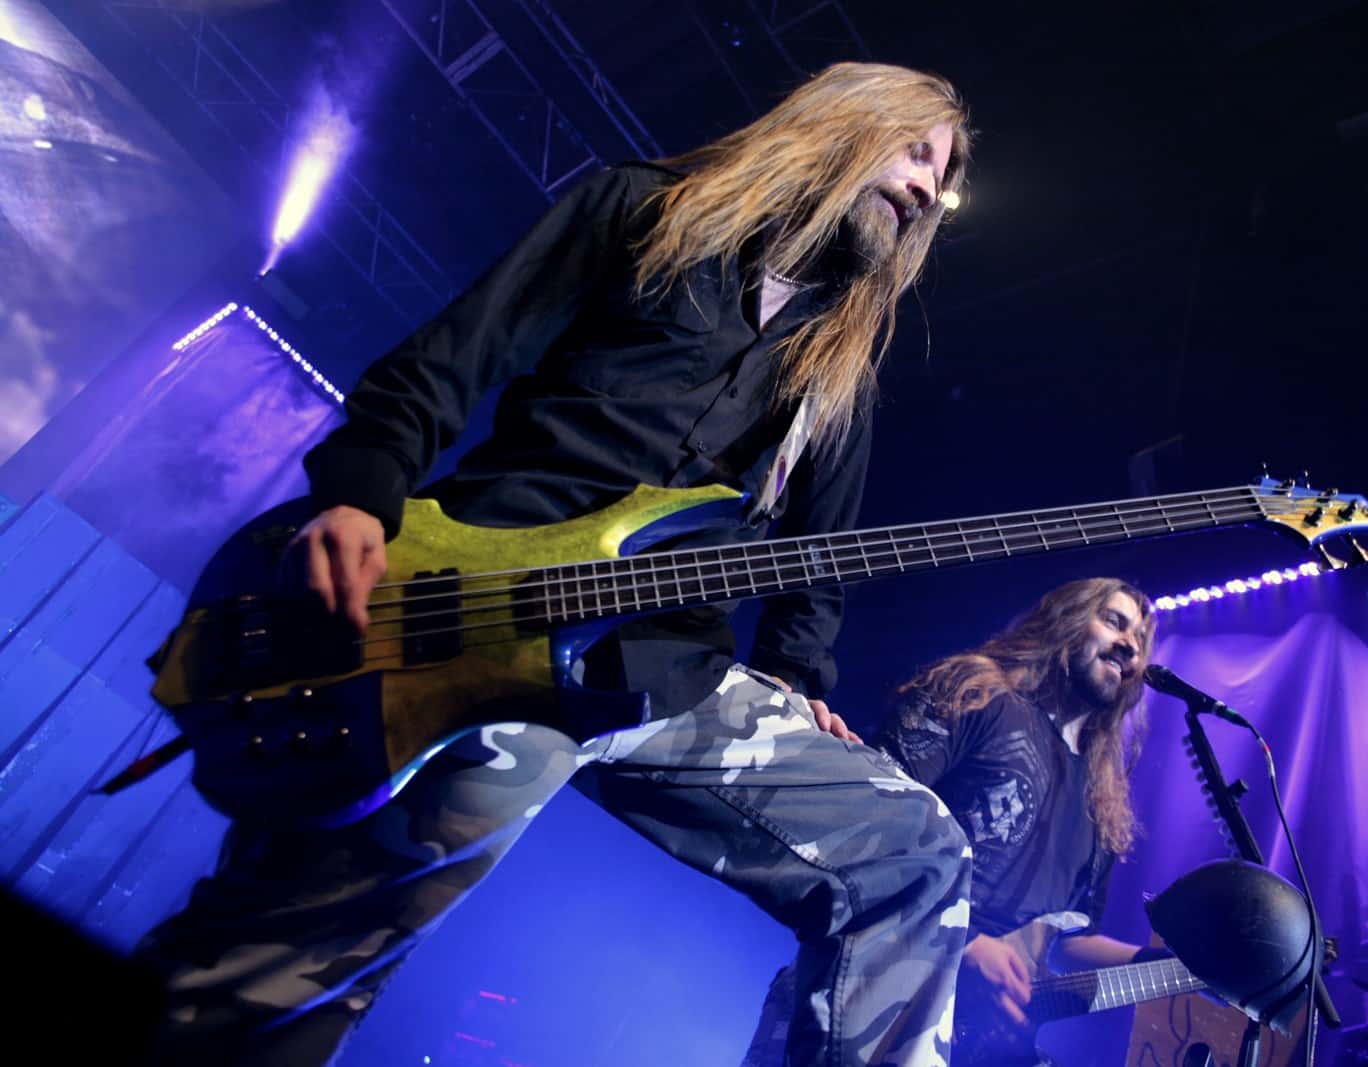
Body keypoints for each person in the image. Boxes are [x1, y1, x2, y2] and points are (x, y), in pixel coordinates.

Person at [133, 62, 975, 1066]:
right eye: (916, 152)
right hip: (491, 606)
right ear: (845, 122)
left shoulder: (837, 367)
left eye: (941, 177)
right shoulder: (646, 211)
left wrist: (796, 673)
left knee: (918, 850)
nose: (926, 188)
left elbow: (814, 555)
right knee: (299, 943)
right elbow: (456, 355)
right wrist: (359, 493)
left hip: (668, 669)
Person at [743, 577, 1168, 1067]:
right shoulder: (977, 692)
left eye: (1141, 639)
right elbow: (867, 820)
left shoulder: (1103, 801)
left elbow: (1066, 942)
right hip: (868, 1001)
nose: (1130, 645)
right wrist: (965, 943)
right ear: (1067, 619)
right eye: (1114, 621)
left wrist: (1178, 970)